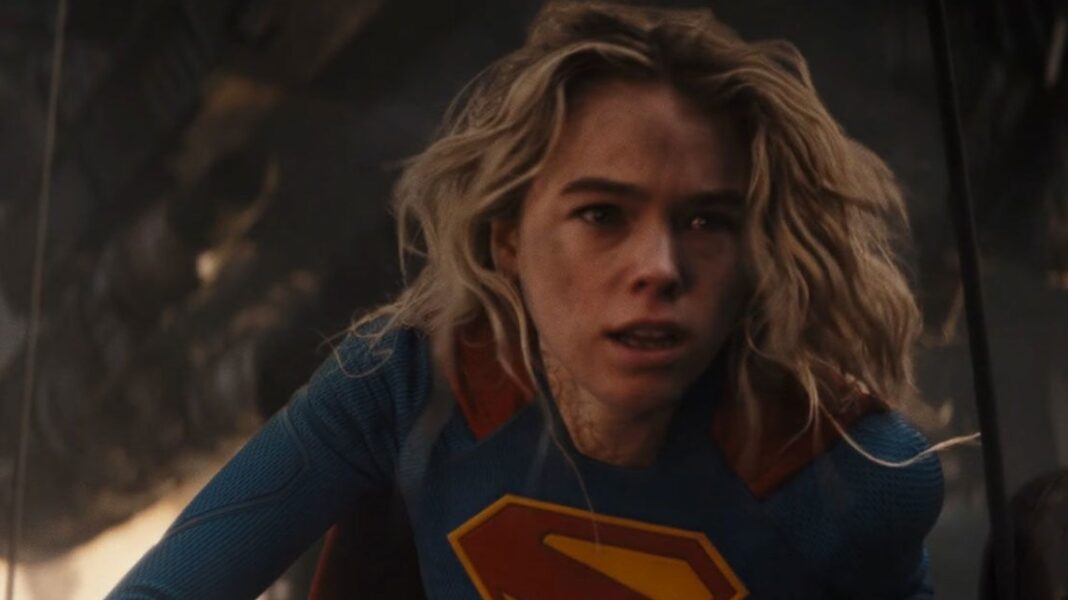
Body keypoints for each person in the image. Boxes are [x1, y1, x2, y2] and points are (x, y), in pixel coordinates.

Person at [109, 2, 944, 598]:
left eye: (706, 221)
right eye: (602, 215)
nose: (660, 267)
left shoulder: (849, 477)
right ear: (507, 238)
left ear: (755, 255)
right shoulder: (408, 385)